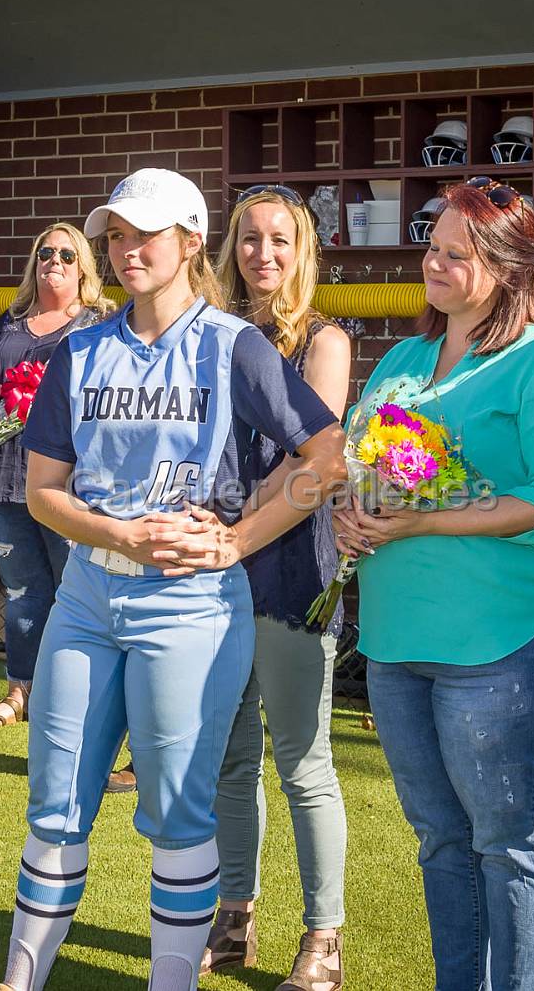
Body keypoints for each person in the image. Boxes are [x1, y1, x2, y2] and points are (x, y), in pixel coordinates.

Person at [0, 168, 346, 991]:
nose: (125, 249)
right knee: (54, 799)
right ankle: (20, 980)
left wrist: (237, 541)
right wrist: (116, 533)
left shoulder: (233, 343)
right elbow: (44, 492)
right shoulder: (79, 348)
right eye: (114, 235)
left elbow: (325, 454)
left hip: (189, 605)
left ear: (191, 242)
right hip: (87, 594)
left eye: (143, 233)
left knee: (180, 811)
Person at [333, 177, 534, 991]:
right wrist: (349, 508)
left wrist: (419, 520)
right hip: (397, 636)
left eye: (459, 253)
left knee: (511, 841)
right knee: (442, 840)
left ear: (512, 266)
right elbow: (358, 461)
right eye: (433, 247)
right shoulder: (405, 357)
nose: (434, 263)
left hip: (511, 635)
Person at [203, 185, 352, 991]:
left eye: (281, 240)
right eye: (250, 239)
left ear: (304, 253)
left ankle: (322, 937)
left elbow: (311, 465)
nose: (264, 253)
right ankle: (234, 916)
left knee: (301, 761)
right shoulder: (217, 337)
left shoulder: (324, 342)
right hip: (218, 571)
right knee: (230, 760)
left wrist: (233, 534)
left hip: (289, 565)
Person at [0, 222, 113, 731]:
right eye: (46, 253)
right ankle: (20, 690)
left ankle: (79, 695)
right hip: (10, 480)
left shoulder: (98, 324)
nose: (54, 262)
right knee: (23, 592)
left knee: (77, 589)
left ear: (84, 268)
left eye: (67, 256)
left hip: (71, 485)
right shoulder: (9, 321)